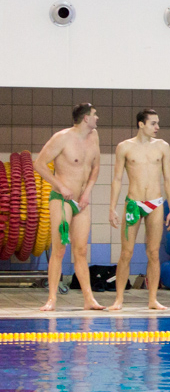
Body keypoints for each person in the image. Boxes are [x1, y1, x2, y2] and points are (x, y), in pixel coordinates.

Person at [37, 102, 104, 312]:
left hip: (81, 201)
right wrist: (60, 186)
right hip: (62, 199)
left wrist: (87, 193)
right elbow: (38, 164)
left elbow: (96, 168)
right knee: (59, 249)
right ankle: (52, 299)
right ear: (85, 118)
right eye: (95, 115)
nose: (97, 118)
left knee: (81, 250)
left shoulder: (94, 137)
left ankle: (88, 299)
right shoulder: (62, 138)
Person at [108, 108, 170, 311]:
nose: (157, 127)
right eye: (153, 123)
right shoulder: (124, 147)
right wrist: (112, 208)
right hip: (133, 203)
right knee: (126, 253)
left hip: (155, 203)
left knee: (153, 253)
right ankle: (118, 299)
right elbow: (117, 179)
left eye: (157, 123)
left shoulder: (163, 146)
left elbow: (168, 179)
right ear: (141, 124)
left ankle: (153, 299)